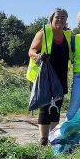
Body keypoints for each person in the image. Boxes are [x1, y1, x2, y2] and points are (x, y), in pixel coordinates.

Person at [27, 8, 72, 146]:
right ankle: (43, 139)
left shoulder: (68, 35)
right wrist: (38, 56)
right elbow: (31, 51)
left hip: (60, 76)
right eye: (57, 17)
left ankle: (53, 139)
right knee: (44, 108)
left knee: (56, 108)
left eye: (63, 18)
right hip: (44, 77)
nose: (60, 20)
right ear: (51, 19)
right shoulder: (43, 33)